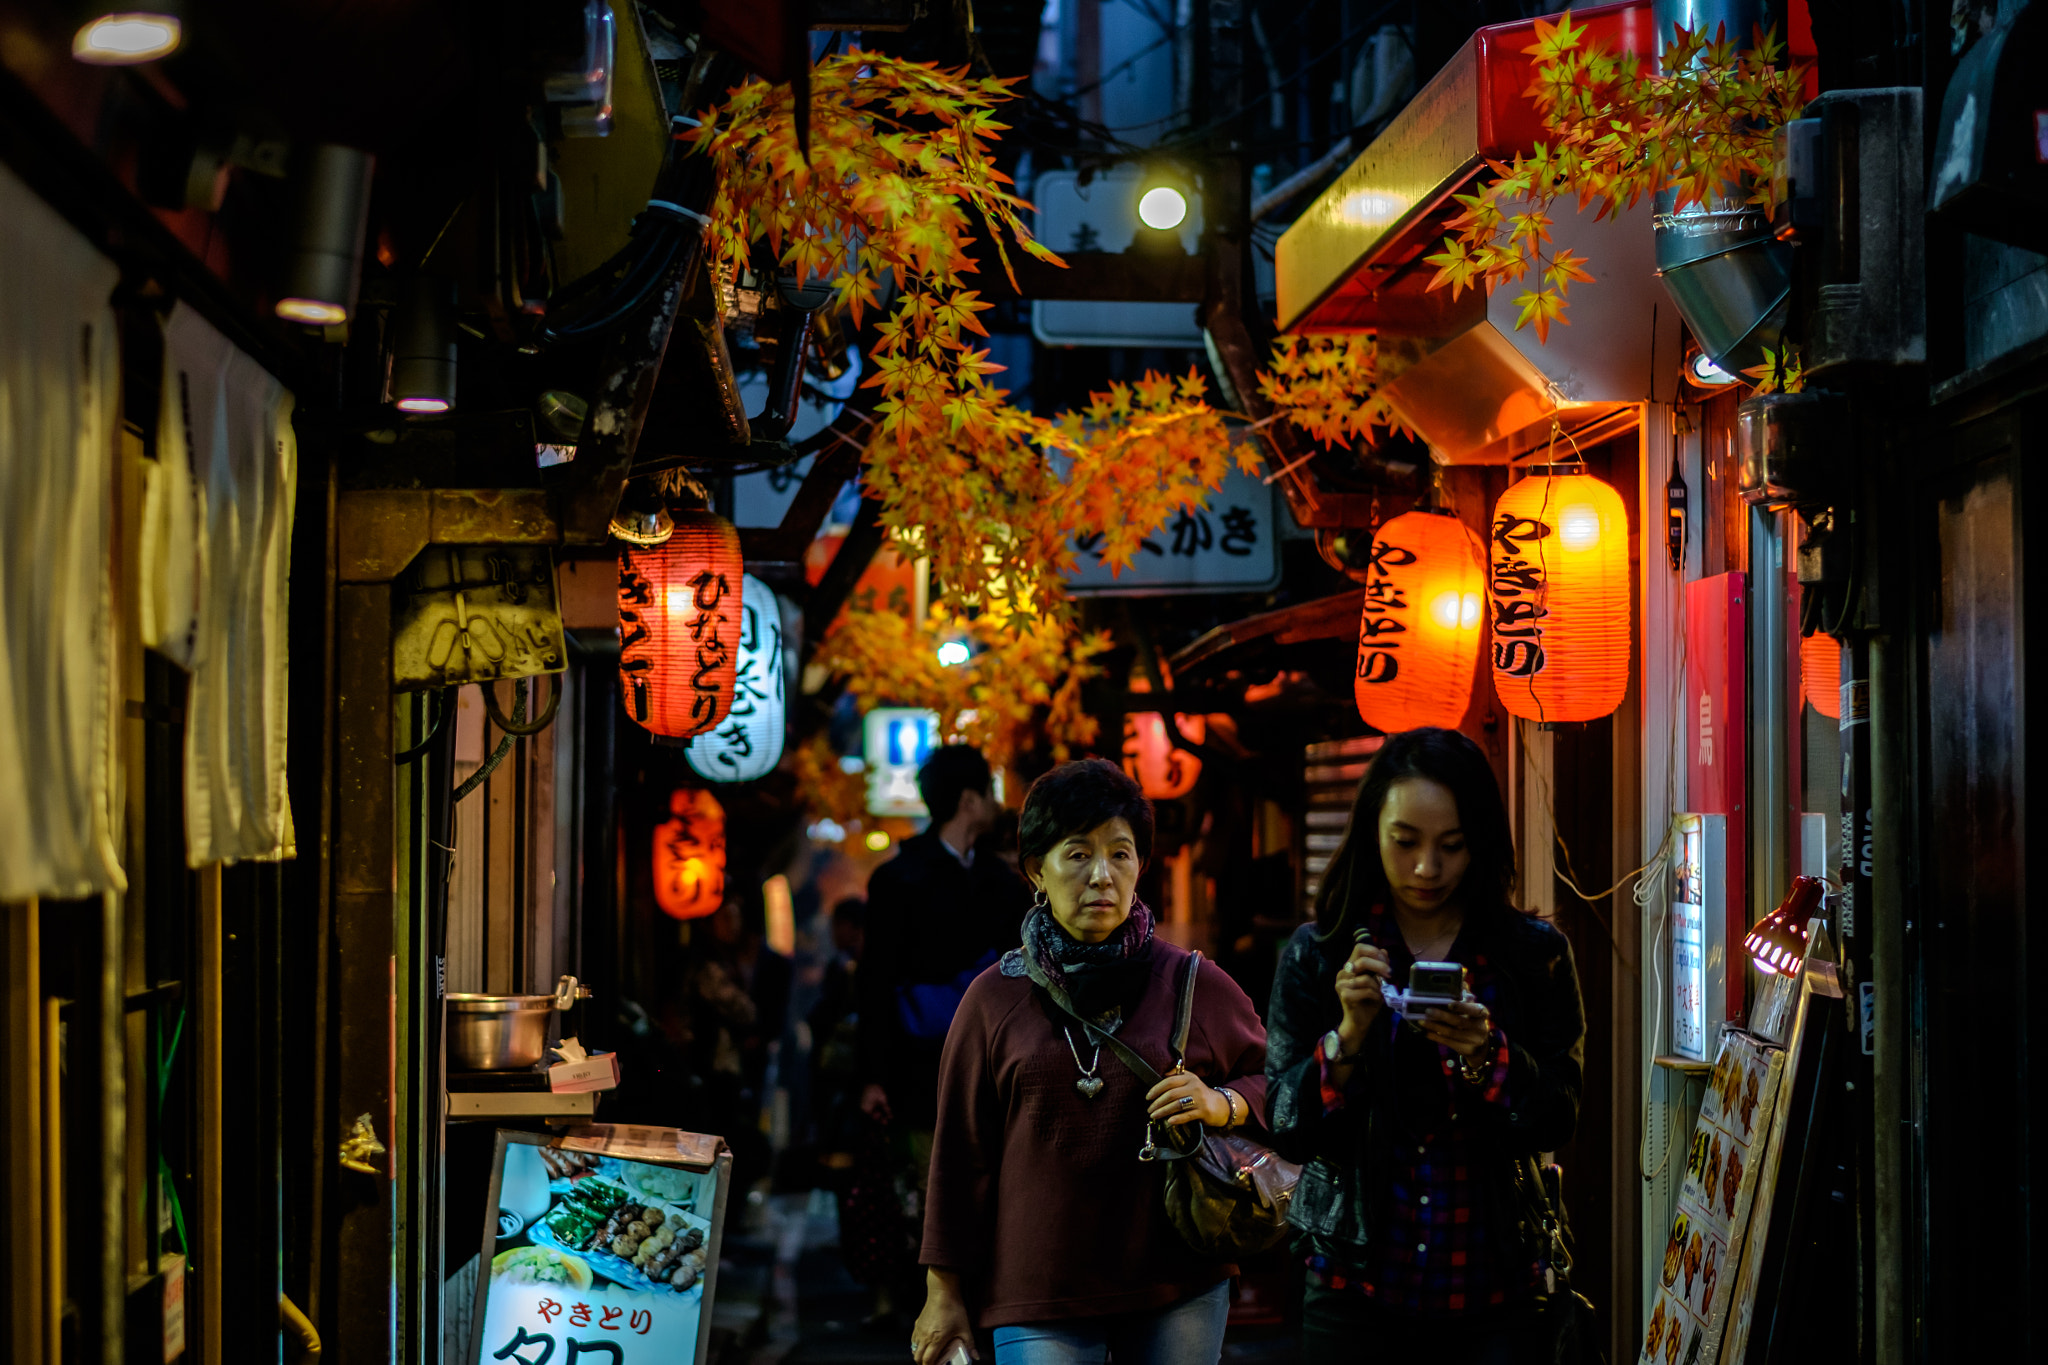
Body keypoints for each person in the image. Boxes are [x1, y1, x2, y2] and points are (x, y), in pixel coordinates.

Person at [912, 758, 1272, 1365]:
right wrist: (942, 1290)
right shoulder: (994, 1000)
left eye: (1120, 854)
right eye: (1077, 854)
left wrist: (1222, 1102)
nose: (1101, 876)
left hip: (1176, 1281)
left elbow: (1280, 1083)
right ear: (1036, 871)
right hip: (1036, 1293)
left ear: (1140, 866)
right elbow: (959, 1156)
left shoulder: (1190, 982)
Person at [1264, 727, 1586, 1363]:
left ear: (1482, 843)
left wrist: (1486, 1055)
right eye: (1405, 841)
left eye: (1452, 846)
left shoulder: (1531, 957)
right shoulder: (1321, 954)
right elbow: (1287, 1128)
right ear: (1372, 831)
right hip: (1354, 1290)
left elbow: (1560, 1115)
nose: (1426, 868)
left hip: (1495, 1291)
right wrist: (1348, 1037)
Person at [857, 745, 1033, 1321]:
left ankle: (976, 1291)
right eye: (988, 790)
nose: (996, 803)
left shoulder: (999, 882)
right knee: (927, 1180)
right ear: (968, 800)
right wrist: (874, 1076)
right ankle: (932, 1297)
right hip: (920, 1061)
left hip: (984, 1058)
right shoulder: (900, 879)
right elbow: (875, 981)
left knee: (982, 1174)